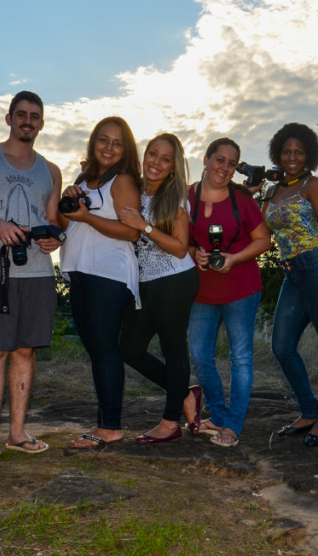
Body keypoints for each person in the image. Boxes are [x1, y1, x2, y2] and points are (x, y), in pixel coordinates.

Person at [0, 91, 62, 464]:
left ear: (41, 122)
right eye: (20, 114)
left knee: (25, 351)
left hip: (37, 271)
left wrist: (53, 236)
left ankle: (17, 432)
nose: (27, 121)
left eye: (34, 116)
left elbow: (51, 219)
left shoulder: (50, 170)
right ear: (8, 118)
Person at [57, 117, 142, 449]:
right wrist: (69, 199)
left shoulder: (121, 181)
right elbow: (65, 223)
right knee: (97, 349)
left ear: (125, 150)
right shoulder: (82, 179)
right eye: (103, 140)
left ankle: (111, 426)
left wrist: (88, 216)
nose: (109, 147)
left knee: (105, 348)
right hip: (80, 271)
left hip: (109, 273)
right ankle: (105, 421)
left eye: (117, 143)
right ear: (93, 142)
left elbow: (132, 231)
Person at [263, 123, 318, 447]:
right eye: (287, 151)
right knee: (281, 346)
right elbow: (260, 233)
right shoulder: (271, 193)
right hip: (292, 274)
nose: (292, 157)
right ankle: (309, 410)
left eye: (299, 152)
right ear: (278, 154)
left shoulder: (314, 186)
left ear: (308, 154)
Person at [187, 138, 272, 448]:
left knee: (240, 358)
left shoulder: (242, 200)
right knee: (199, 355)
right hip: (202, 291)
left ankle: (233, 424)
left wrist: (234, 258)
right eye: (219, 160)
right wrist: (194, 251)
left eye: (231, 164)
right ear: (207, 159)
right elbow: (176, 236)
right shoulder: (187, 196)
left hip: (241, 288)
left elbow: (264, 240)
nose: (224, 168)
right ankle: (219, 414)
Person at [117, 133, 201, 444]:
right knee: (130, 349)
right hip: (144, 283)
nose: (157, 162)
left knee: (173, 348)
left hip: (175, 281)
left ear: (172, 168)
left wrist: (144, 226)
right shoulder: (132, 189)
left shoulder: (175, 196)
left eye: (166, 159)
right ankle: (185, 394)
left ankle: (170, 424)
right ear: (144, 155)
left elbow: (181, 249)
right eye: (153, 154)